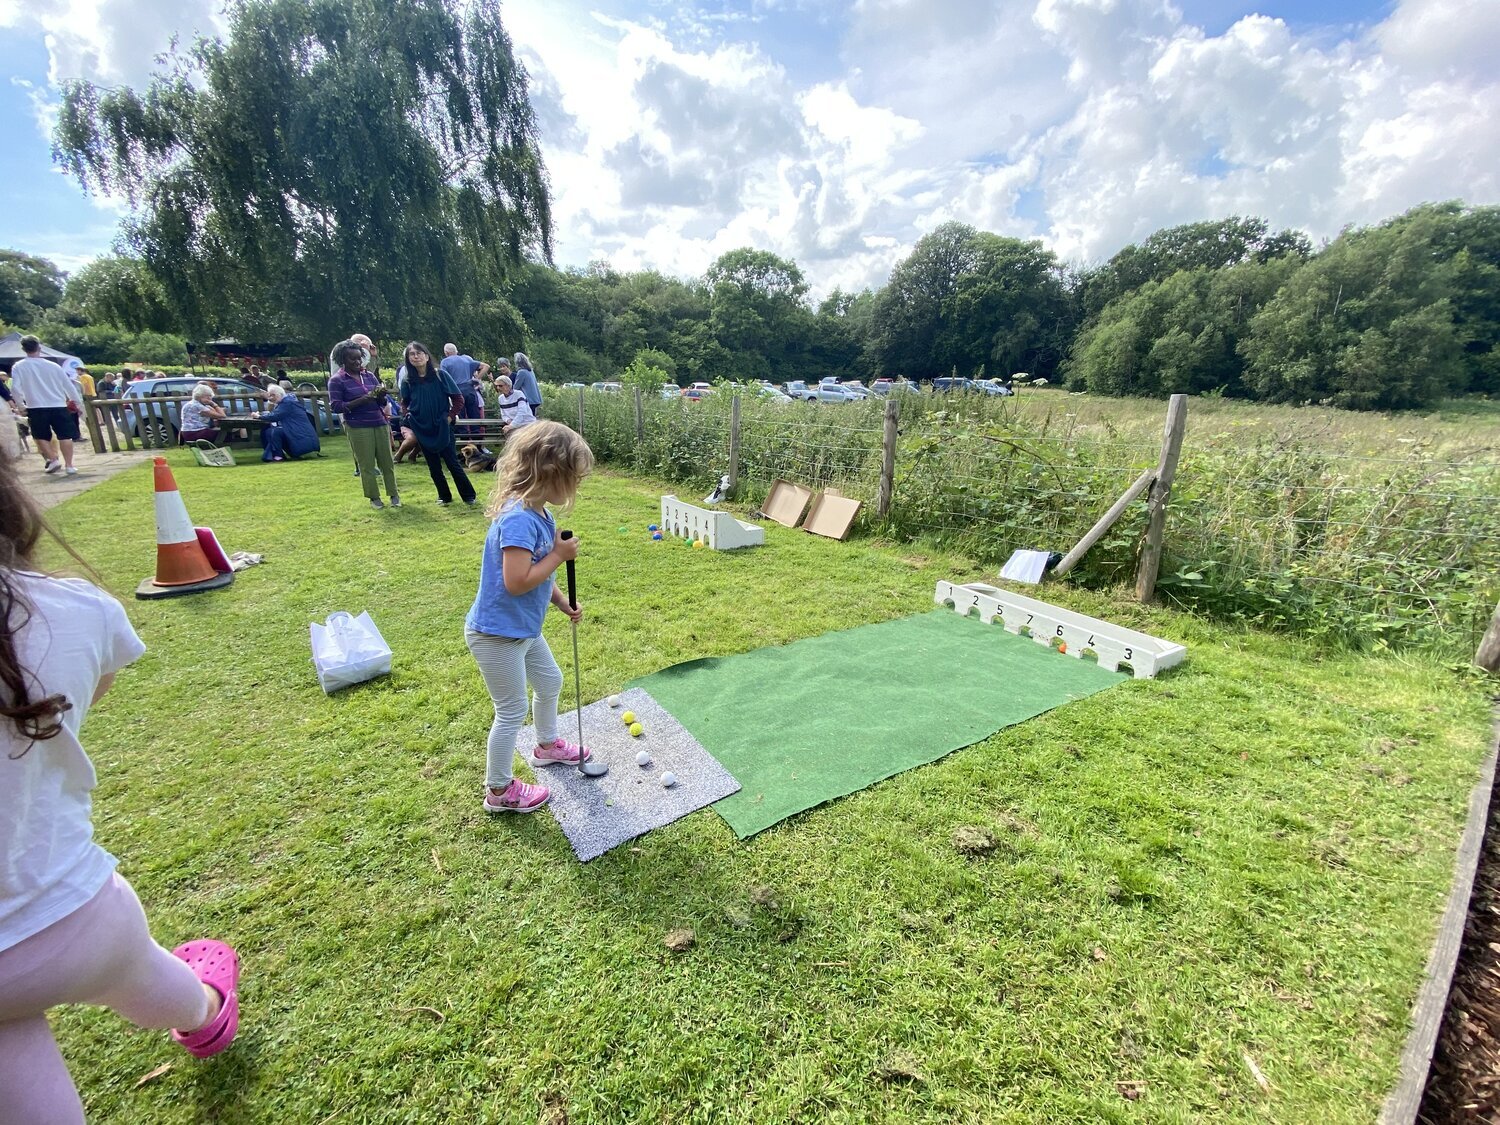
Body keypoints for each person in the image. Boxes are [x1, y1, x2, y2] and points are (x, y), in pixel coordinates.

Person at [0, 454, 242, 1121]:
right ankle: (206, 1012)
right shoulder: (73, 609)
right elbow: (90, 691)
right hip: (81, 922)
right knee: (178, 993)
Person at [465, 421, 595, 812]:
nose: (576, 486)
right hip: (496, 634)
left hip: (523, 630)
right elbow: (517, 581)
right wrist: (559, 555)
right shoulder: (519, 519)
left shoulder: (540, 514)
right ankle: (500, 791)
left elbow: (541, 575)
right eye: (573, 477)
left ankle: (547, 745)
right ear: (550, 472)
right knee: (510, 711)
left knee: (550, 681)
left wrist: (560, 602)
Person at [397, 341, 476, 506]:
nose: (416, 356)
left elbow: (458, 398)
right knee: (433, 466)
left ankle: (468, 496)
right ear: (408, 358)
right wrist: (409, 416)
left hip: (442, 425)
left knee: (452, 462)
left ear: (426, 356)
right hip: (422, 428)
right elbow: (404, 402)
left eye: (419, 353)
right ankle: (444, 496)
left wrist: (450, 416)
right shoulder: (407, 380)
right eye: (412, 354)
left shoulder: (440, 375)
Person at [327, 340, 400, 510]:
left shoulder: (369, 376)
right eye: (353, 359)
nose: (357, 362)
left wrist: (382, 396)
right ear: (342, 360)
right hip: (358, 426)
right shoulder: (337, 380)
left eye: (359, 358)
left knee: (387, 461)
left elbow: (381, 403)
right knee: (366, 464)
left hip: (379, 422)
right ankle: (374, 497)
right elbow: (336, 406)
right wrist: (361, 400)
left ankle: (394, 494)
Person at [8, 336, 79, 475]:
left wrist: (21, 406)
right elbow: (68, 386)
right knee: (65, 436)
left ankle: (53, 459)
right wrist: (77, 402)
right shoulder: (53, 366)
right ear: (39, 347)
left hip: (35, 406)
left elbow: (15, 389)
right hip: (58, 404)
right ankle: (69, 465)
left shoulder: (19, 366)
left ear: (23, 349)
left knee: (40, 435)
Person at [257, 383, 321, 462]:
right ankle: (274, 455)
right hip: (302, 437)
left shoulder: (287, 403)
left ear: (277, 395)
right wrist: (269, 405)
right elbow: (274, 413)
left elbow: (274, 416)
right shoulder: (288, 401)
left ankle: (278, 456)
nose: (270, 398)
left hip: (302, 440)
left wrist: (258, 416)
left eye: (271, 395)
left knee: (273, 432)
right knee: (268, 430)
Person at [440, 343, 490, 439]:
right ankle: (477, 445)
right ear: (456, 351)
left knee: (461, 418)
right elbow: (486, 366)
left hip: (456, 392)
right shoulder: (467, 359)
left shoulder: (445, 362)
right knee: (474, 416)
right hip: (470, 389)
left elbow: (444, 378)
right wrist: (476, 379)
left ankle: (466, 445)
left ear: (446, 352)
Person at [511, 352, 542, 416]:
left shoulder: (521, 372)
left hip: (529, 400)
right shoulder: (530, 371)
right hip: (535, 399)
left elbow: (516, 387)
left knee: (528, 420)